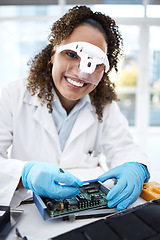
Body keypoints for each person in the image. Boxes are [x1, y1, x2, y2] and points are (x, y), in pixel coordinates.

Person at [0, 5, 150, 211]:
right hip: (29, 210)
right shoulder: (13, 95)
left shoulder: (104, 106)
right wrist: (23, 174)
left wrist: (136, 167)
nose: (82, 72)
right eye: (71, 54)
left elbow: (124, 148)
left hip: (87, 210)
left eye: (96, 63)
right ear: (53, 54)